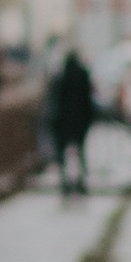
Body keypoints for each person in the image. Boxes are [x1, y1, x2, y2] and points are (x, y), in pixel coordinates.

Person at [47, 43, 95, 196]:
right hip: (80, 120)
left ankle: (65, 182)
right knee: (80, 151)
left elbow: (54, 100)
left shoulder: (60, 77)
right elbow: (88, 98)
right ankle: (81, 181)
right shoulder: (83, 74)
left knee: (63, 153)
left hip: (63, 120)